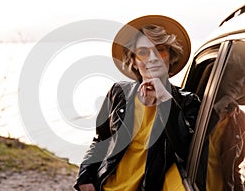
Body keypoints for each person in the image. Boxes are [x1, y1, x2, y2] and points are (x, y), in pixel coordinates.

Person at [74, 15, 201, 191]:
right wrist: (85, 176)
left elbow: (186, 151)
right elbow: (101, 139)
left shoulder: (187, 101)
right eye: (143, 52)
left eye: (160, 49)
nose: (153, 58)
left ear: (171, 56)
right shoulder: (118, 93)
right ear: (133, 60)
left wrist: (164, 99)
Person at [205, 45, 245, 191]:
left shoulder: (240, 119)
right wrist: (215, 113)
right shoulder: (193, 104)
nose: (239, 83)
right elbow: (183, 147)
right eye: (237, 72)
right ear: (224, 69)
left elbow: (234, 170)